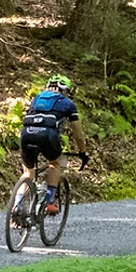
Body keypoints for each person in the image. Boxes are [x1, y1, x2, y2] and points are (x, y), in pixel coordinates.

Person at [18, 74, 89, 215]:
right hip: (47, 135)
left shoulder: (36, 99)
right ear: (65, 90)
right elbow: (78, 134)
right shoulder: (68, 103)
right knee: (55, 163)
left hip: (26, 133)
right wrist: (82, 152)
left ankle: (16, 206)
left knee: (28, 172)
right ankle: (49, 202)